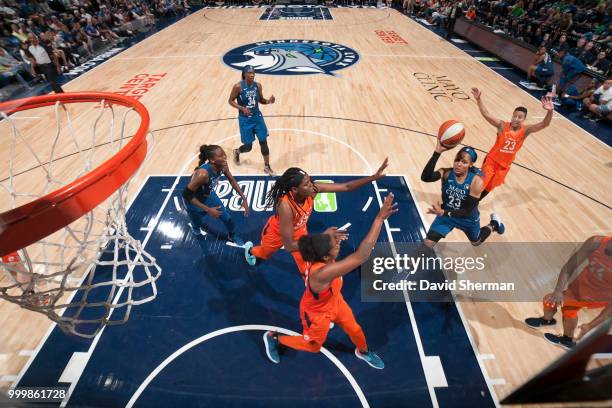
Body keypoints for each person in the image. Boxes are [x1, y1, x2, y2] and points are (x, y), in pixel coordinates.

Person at [262, 194, 397, 368]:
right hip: (317, 313)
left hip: (335, 302)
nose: (338, 244)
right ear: (326, 256)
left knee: (355, 329)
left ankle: (362, 351)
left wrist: (326, 236)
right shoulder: (322, 273)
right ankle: (275, 338)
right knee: (313, 347)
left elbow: (315, 243)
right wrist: (379, 219)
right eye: (334, 245)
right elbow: (361, 256)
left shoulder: (321, 255)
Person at [244, 159, 389, 275]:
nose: (311, 186)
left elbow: (346, 187)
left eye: (310, 180)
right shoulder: (286, 207)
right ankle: (250, 251)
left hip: (299, 230)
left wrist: (373, 177)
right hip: (277, 233)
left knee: (307, 266)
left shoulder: (313, 190)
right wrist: (321, 238)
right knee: (264, 253)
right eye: (306, 184)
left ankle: (307, 279)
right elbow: (288, 246)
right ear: (295, 189)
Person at [525, 235, 611, 349]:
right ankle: (547, 320)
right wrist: (558, 291)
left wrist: (590, 326)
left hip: (603, 297)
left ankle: (567, 340)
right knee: (550, 300)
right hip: (581, 286)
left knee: (568, 308)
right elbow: (570, 266)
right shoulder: (596, 242)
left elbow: (609, 311)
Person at [471, 88, 553, 200]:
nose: (516, 119)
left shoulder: (526, 130)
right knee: (479, 186)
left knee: (489, 188)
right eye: (514, 116)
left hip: (504, 166)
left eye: (520, 117)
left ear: (524, 119)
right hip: (491, 161)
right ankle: (464, 203)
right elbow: (486, 114)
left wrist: (550, 111)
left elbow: (545, 124)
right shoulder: (502, 126)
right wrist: (479, 99)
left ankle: (473, 205)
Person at [420, 142, 505, 248]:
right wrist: (437, 152)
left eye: (464, 162)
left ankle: (494, 224)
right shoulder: (446, 173)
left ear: (470, 165)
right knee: (428, 243)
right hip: (447, 216)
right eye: (457, 160)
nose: (458, 164)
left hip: (467, 219)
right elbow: (425, 178)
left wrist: (444, 212)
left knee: (476, 242)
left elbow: (466, 211)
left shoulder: (476, 182)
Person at [182, 144, 249, 246]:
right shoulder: (202, 174)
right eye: (221, 155)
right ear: (212, 160)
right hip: (193, 202)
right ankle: (195, 226)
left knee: (228, 219)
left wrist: (244, 198)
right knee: (197, 224)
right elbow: (186, 194)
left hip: (208, 196)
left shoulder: (223, 165)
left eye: (224, 154)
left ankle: (232, 235)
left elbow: (232, 180)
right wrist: (208, 210)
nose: (225, 157)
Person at [229, 65, 276, 176]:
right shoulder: (238, 87)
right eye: (249, 73)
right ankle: (237, 151)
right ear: (244, 74)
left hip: (257, 118)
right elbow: (230, 101)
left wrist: (269, 101)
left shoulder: (258, 86)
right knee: (248, 147)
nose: (252, 74)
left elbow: (261, 100)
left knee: (263, 141)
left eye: (253, 72)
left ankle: (267, 166)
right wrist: (242, 108)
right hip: (245, 120)